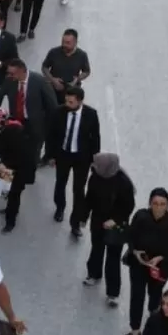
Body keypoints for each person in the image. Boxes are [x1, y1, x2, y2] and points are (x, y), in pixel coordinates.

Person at [119, 188, 168, 335]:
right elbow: (130, 235)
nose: (158, 208)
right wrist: (135, 251)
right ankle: (135, 330)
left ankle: (155, 324)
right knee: (137, 296)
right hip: (139, 265)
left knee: (155, 297)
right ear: (150, 203)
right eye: (155, 204)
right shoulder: (141, 216)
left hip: (160, 268)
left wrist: (161, 257)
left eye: (163, 204)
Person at [82, 153, 137, 306]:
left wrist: (115, 220)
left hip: (116, 227)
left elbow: (128, 206)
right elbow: (89, 199)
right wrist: (83, 216)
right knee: (96, 249)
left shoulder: (123, 183)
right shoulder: (95, 177)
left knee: (113, 258)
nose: (95, 166)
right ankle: (93, 274)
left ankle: (113, 293)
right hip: (98, 221)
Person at [47, 85, 101, 233]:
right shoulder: (58, 112)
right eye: (66, 101)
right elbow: (51, 135)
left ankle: (75, 222)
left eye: (71, 102)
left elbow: (95, 138)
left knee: (79, 190)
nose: (67, 105)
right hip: (63, 154)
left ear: (80, 101)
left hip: (81, 157)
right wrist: (51, 155)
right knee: (60, 183)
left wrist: (94, 160)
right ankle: (60, 207)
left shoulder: (91, 114)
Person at [0, 118, 35, 234]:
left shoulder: (14, 134)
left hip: (17, 170)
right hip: (7, 167)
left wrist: (4, 164)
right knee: (7, 191)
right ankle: (9, 211)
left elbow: (20, 156)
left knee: (14, 194)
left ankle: (10, 221)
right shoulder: (4, 130)